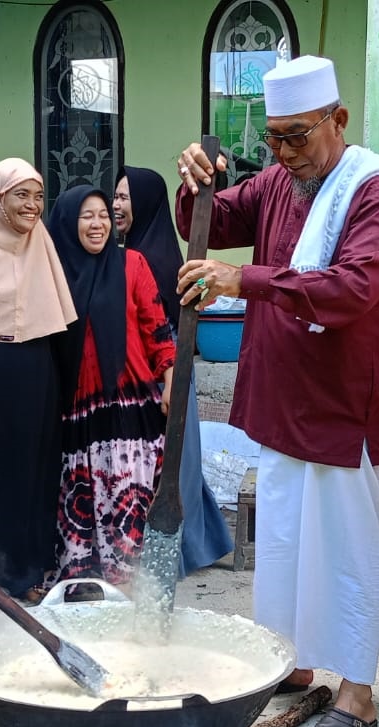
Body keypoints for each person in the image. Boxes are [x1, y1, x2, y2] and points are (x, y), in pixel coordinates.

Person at [173, 55, 379, 727]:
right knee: (281, 541)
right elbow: (210, 222)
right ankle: (294, 661)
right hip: (280, 394)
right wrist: (195, 183)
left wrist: (244, 281)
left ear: (338, 121)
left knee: (344, 547)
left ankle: (357, 693)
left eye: (296, 137)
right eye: (273, 138)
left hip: (337, 403)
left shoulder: (373, 192)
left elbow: (352, 288)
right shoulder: (278, 181)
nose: (282, 153)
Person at [0, 159, 75, 599]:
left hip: (37, 370)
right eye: (21, 195)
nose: (32, 205)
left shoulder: (41, 246)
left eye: (39, 196)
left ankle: (26, 572)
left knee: (34, 469)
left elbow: (58, 321)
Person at [48, 186, 175, 584]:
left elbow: (158, 330)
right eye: (87, 215)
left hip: (130, 413)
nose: (98, 223)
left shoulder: (132, 264)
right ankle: (83, 585)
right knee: (79, 502)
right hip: (76, 412)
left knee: (129, 503)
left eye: (103, 214)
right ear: (69, 222)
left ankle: (129, 591)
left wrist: (170, 381)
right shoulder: (54, 274)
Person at [114, 166, 233, 576]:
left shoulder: (154, 258)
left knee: (170, 458)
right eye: (115, 197)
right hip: (151, 367)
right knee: (175, 457)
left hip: (164, 369)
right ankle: (197, 544)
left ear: (144, 203)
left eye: (125, 198)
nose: (116, 206)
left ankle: (174, 549)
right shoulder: (139, 248)